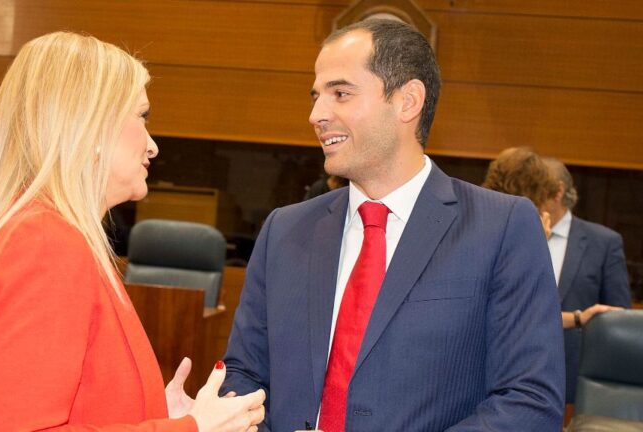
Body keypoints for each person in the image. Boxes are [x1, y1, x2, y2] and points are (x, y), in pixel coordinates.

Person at [222, 19, 564, 431]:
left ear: (408, 101)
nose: (316, 115)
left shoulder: (502, 227)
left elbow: (529, 400)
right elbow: (243, 374)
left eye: (341, 94)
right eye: (316, 97)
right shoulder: (285, 230)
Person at [0, 32, 265, 431]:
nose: (153, 146)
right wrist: (191, 428)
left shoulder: (43, 233)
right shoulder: (47, 244)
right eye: (142, 117)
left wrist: (153, 409)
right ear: (91, 127)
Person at [541, 157, 631, 403]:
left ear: (557, 191)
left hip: (577, 381)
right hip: (514, 372)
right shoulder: (515, 234)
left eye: (533, 186)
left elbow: (618, 317)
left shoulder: (603, 242)